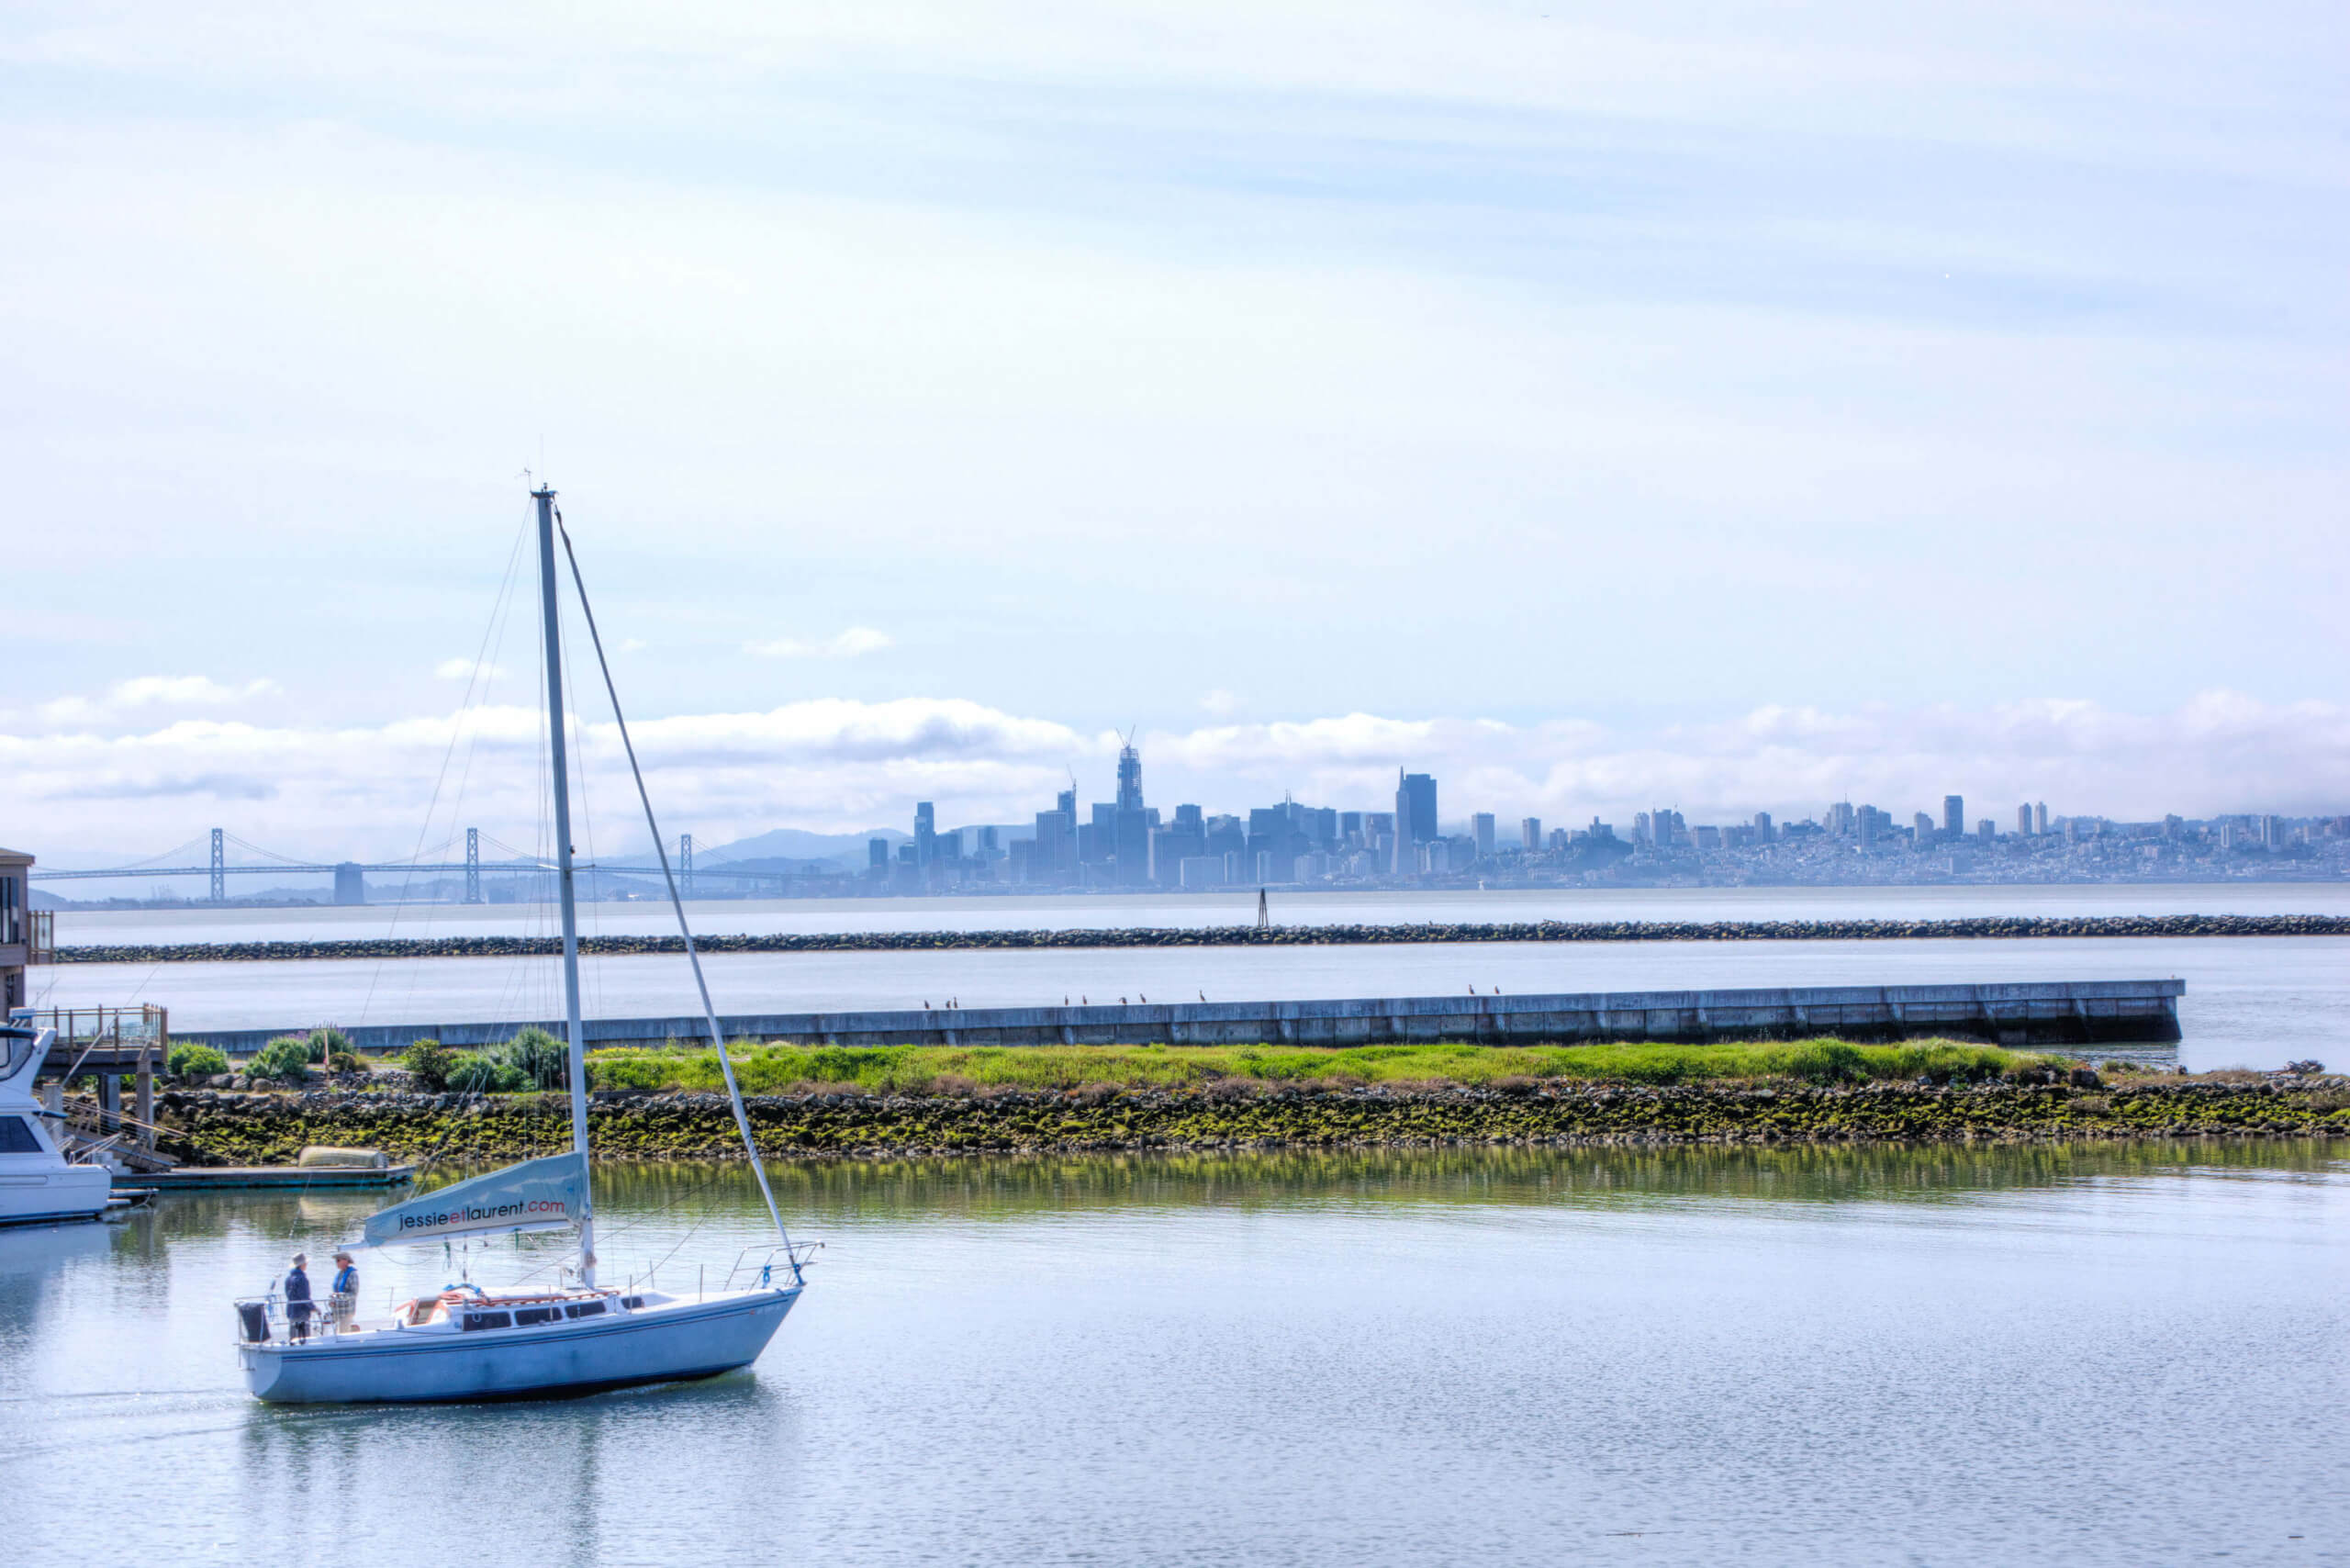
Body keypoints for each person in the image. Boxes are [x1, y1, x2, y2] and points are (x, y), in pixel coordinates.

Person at [285, 1252, 313, 1342]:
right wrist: (314, 1308)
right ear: (302, 1265)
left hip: (292, 1311)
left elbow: (288, 1294)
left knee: (293, 1338)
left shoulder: (288, 1279)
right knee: (304, 1339)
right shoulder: (302, 1279)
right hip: (301, 1313)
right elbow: (305, 1297)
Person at [330, 1249, 359, 1332]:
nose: (336, 1262)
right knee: (338, 1334)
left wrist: (340, 1296)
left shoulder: (353, 1274)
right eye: (336, 1261)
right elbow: (335, 1291)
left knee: (343, 1335)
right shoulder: (340, 1274)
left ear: (345, 1260)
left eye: (338, 1260)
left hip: (347, 1312)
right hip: (338, 1312)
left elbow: (354, 1293)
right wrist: (332, 1299)